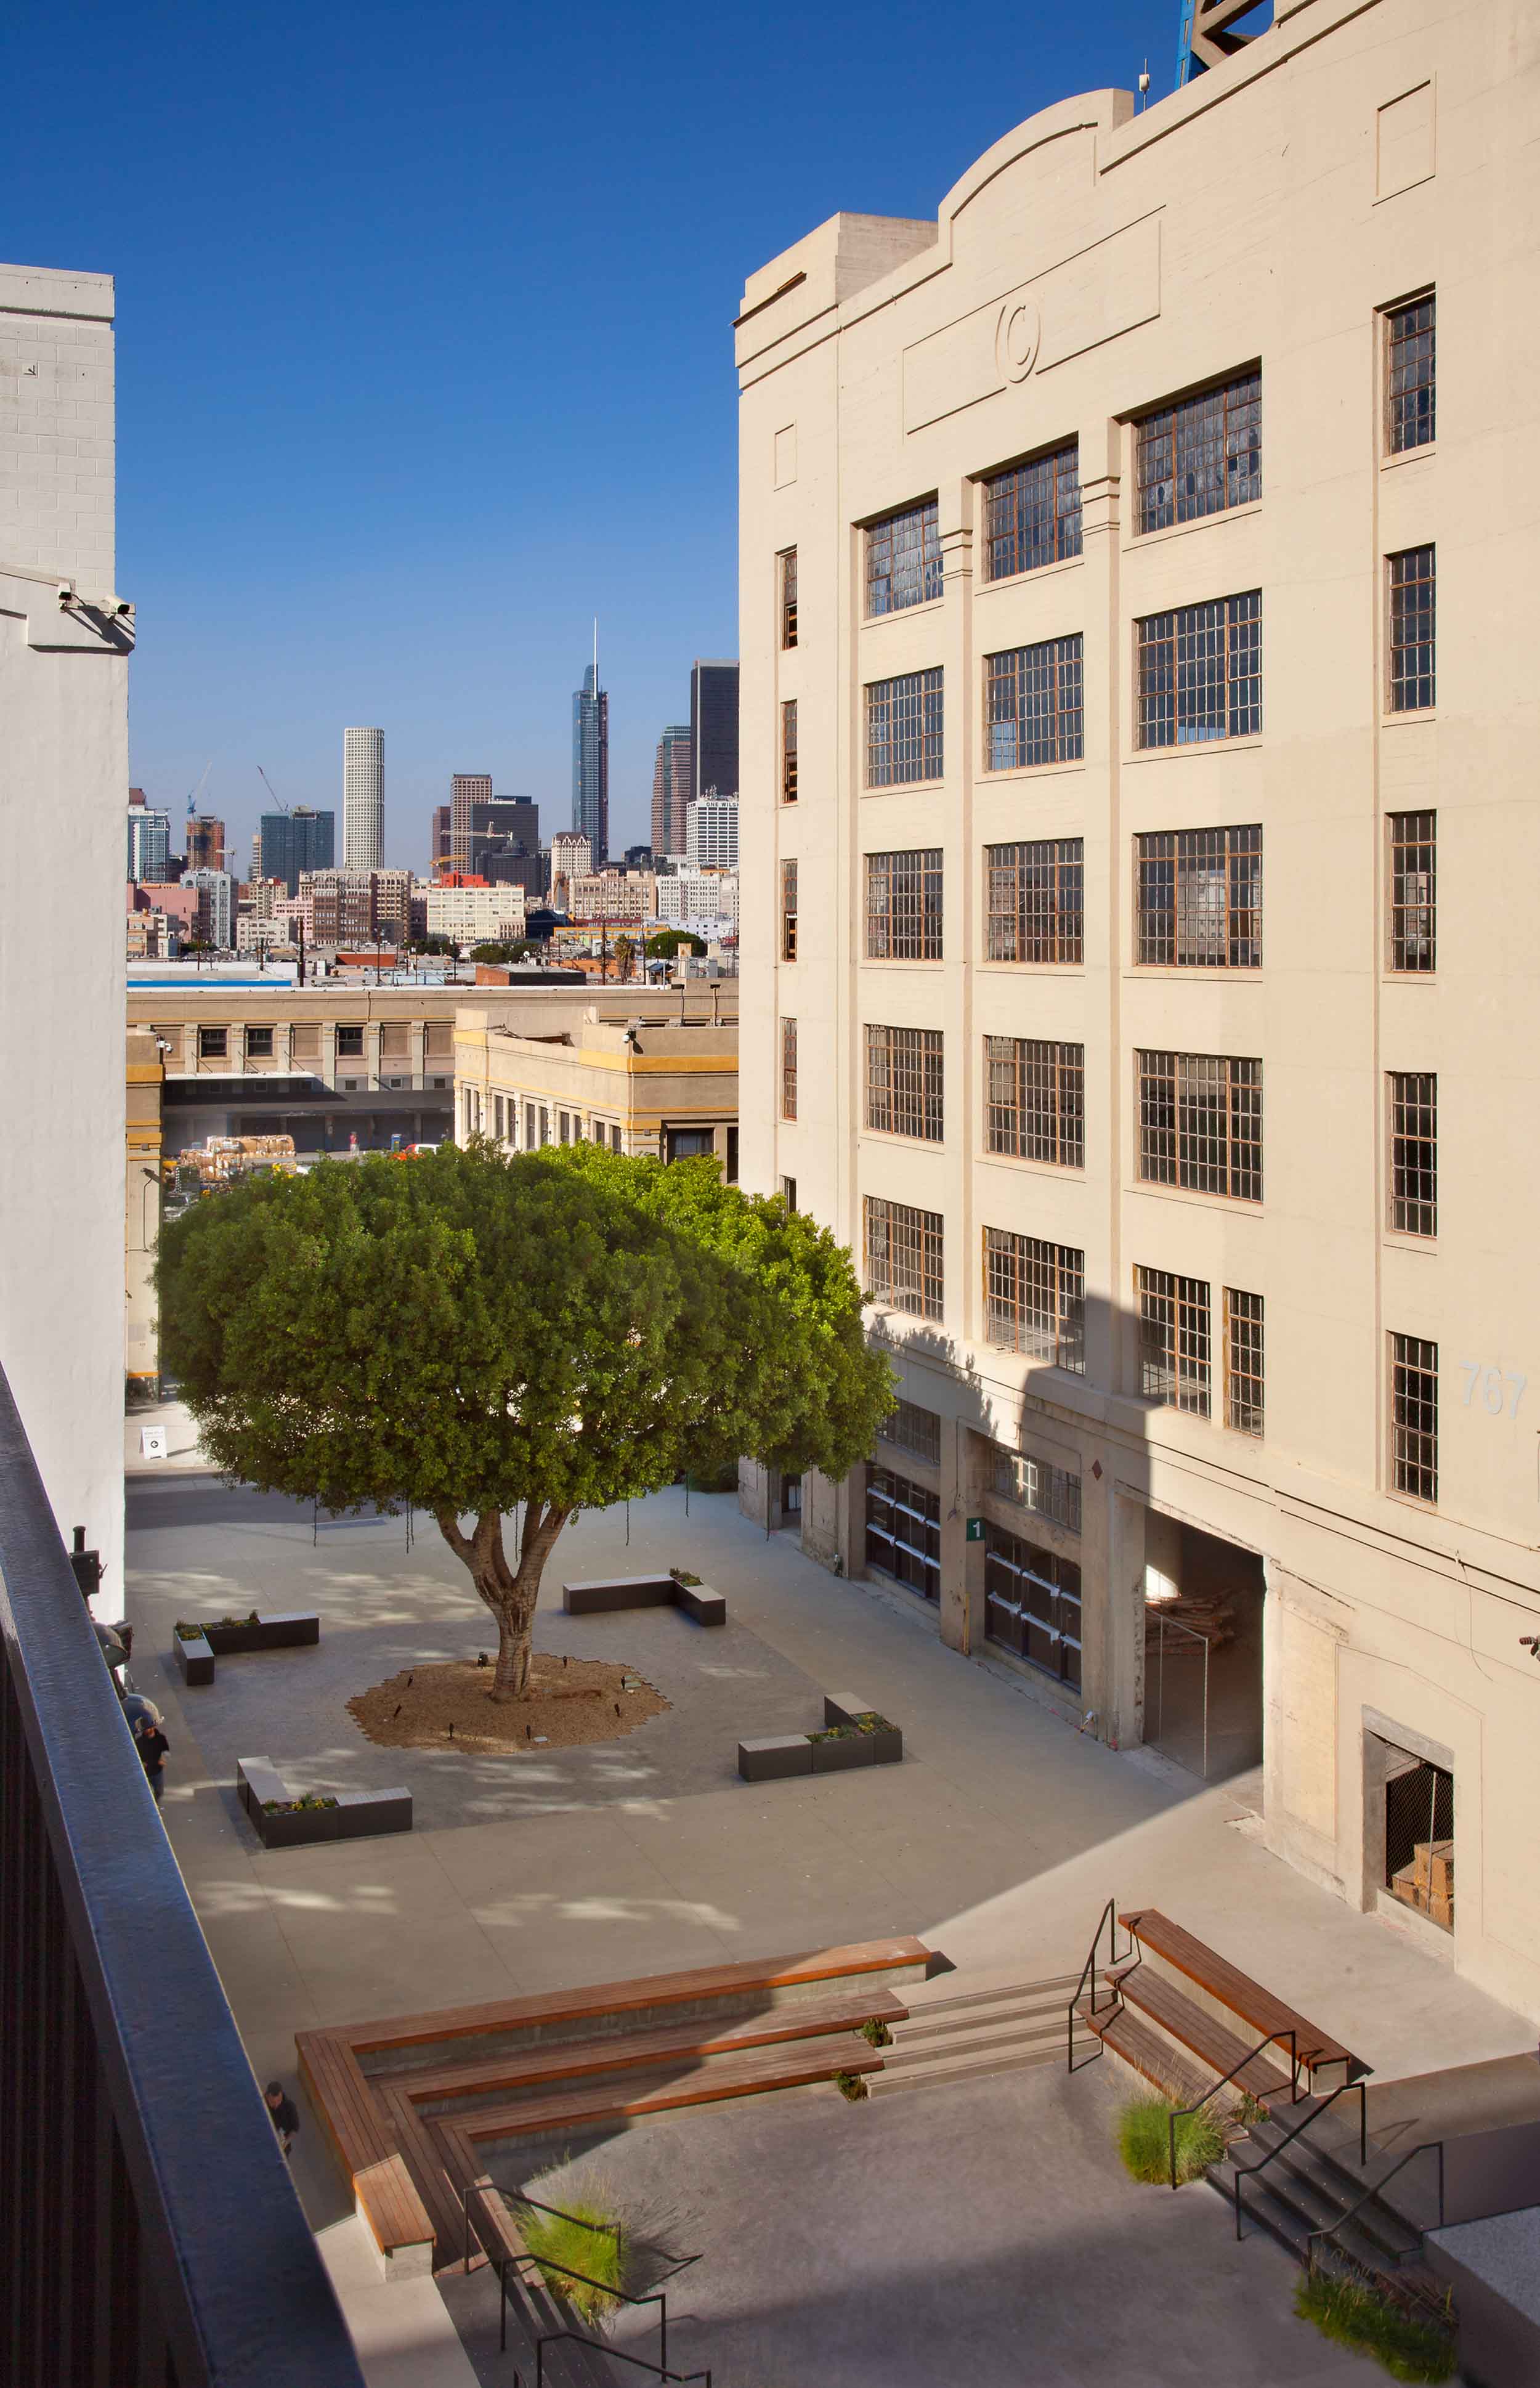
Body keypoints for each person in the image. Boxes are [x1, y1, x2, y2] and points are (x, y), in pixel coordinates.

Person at [133, 1707, 170, 1803]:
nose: (146, 1731)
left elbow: (166, 1751)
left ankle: (156, 1803)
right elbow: (136, 1755)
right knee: (147, 1793)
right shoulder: (139, 1742)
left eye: (148, 1728)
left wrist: (164, 1759)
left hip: (157, 1770)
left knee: (159, 1792)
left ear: (153, 1727)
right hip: (146, 1771)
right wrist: (141, 1763)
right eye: (145, 1729)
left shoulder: (161, 1738)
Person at [265, 2081, 300, 2158]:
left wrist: (285, 2143)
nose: (276, 2105)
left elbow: (295, 2129)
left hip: (282, 2142)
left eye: (278, 2101)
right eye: (272, 2102)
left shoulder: (290, 2107)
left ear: (281, 2096)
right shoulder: (262, 2102)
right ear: (267, 2096)